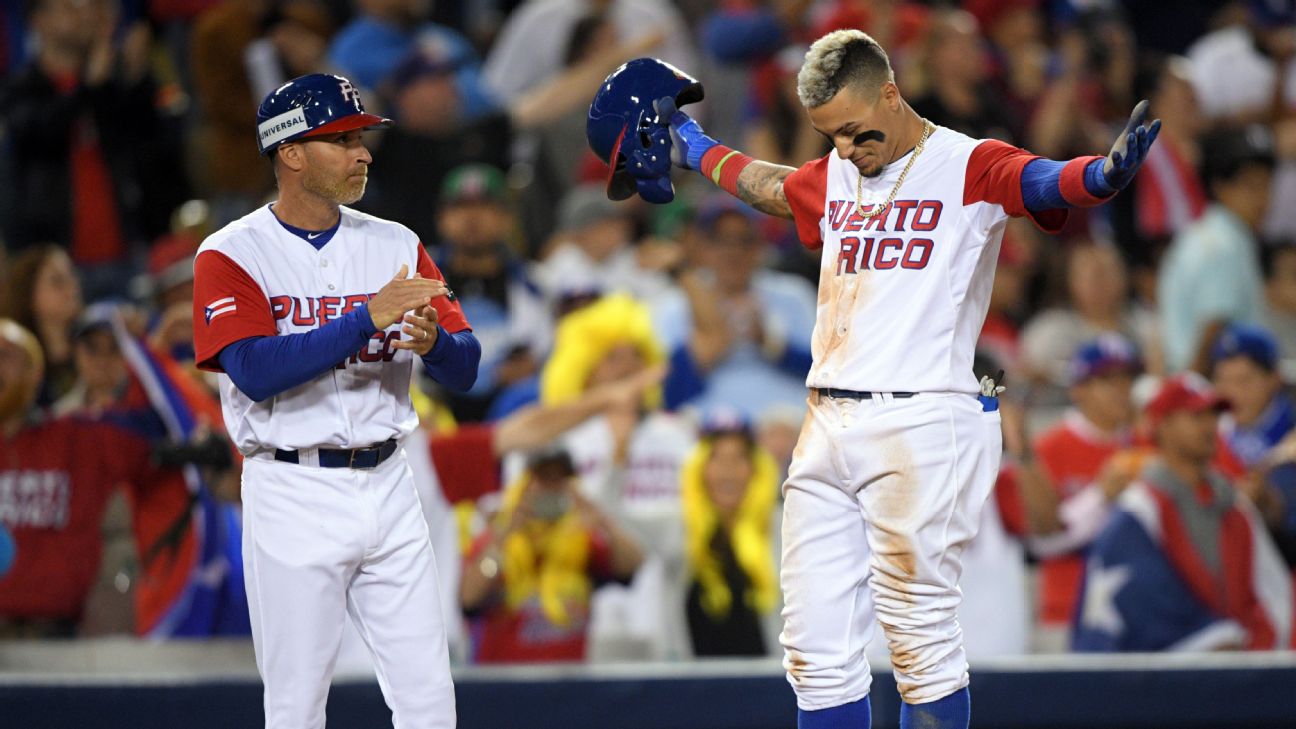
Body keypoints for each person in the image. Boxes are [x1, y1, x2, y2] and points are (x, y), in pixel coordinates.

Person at [635, 29, 1161, 727]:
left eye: (854, 131)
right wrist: (693, 144)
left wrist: (1098, 177)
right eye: (832, 136)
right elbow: (772, 187)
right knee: (815, 651)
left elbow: (1040, 180)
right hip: (827, 418)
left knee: (919, 639)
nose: (847, 149)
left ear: (891, 91)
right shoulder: (839, 168)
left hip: (924, 418)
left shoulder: (967, 163)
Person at [190, 74, 480, 729]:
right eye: (341, 139)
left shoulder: (396, 243)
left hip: (390, 480)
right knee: (295, 707)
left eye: (361, 138)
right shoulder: (231, 253)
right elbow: (254, 370)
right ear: (290, 153)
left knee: (431, 701)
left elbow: (467, 367)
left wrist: (435, 344)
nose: (362, 153)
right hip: (292, 487)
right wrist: (366, 318)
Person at [1072, 373, 1292, 652]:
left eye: (1213, 415)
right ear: (1162, 425)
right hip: (1169, 680)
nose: (1210, 426)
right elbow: (1136, 605)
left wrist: (1251, 657)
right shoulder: (1139, 510)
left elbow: (1273, 594)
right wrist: (1212, 642)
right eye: (1196, 415)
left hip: (1237, 678)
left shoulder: (1235, 507)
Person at [459, 447, 643, 663]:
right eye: (544, 478)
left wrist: (602, 520)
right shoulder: (497, 540)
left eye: (560, 480)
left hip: (567, 682)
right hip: (506, 683)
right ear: (524, 484)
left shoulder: (582, 540)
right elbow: (469, 597)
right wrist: (506, 534)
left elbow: (633, 564)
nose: (551, 488)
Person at [1015, 336, 1140, 641]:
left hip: (1138, 611)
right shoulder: (1048, 448)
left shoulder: (1143, 444)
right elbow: (1039, 542)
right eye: (1107, 380)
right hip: (1066, 610)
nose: (1120, 391)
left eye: (1127, 379)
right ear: (1079, 389)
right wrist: (1100, 496)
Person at [428, 164, 550, 423]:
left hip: (514, 419)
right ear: (441, 219)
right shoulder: (413, 277)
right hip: (430, 421)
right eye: (460, 206)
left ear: (507, 219)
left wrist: (536, 366)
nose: (472, 217)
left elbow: (554, 352)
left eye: (485, 206)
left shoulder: (537, 283)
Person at [1159, 124, 1276, 374]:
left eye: (1267, 184)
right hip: (1207, 387)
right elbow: (1213, 328)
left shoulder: (1208, 234)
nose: (1263, 198)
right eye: (1251, 185)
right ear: (1221, 187)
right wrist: (1197, 397)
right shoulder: (1223, 245)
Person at [680, 417, 781, 657]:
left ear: (756, 469)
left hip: (770, 684)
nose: (728, 468)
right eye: (716, 457)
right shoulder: (675, 529)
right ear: (699, 469)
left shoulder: (785, 526)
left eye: (740, 457)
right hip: (686, 687)